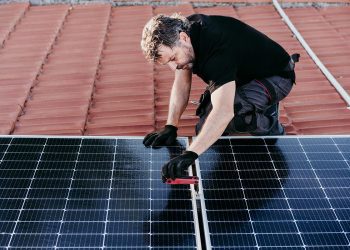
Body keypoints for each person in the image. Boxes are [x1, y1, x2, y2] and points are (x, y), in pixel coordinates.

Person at [140, 13, 299, 181]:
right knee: (204, 130)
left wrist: (190, 153)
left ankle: (270, 124)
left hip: (274, 77)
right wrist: (171, 126)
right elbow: (182, 84)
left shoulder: (216, 48)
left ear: (184, 38)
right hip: (240, 76)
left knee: (232, 118)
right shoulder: (181, 34)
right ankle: (251, 104)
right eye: (168, 63)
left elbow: (223, 112)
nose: (175, 66)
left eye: (173, 58)